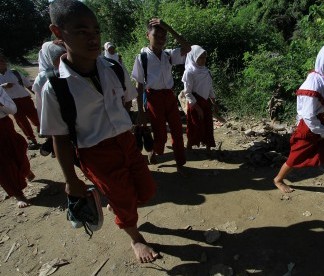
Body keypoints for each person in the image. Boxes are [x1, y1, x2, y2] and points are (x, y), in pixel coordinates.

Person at [43, 0, 158, 263]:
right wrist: (71, 180)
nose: (93, 38)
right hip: (95, 153)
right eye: (82, 31)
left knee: (147, 190)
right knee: (125, 201)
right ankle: (135, 238)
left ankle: (117, 203)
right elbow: (59, 137)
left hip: (126, 142)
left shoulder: (113, 68)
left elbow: (126, 101)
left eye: (96, 31)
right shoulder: (55, 87)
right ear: (58, 33)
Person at [273, 45, 324, 203]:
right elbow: (308, 115)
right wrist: (322, 131)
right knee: (296, 156)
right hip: (310, 126)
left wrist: (322, 129)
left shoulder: (321, 80)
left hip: (318, 123)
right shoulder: (313, 84)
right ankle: (278, 179)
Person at [131, 18, 190, 173]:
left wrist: (168, 27)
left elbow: (187, 47)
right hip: (153, 98)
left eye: (164, 36)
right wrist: (141, 112)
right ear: (147, 35)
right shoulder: (142, 58)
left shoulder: (168, 55)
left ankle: (180, 163)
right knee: (160, 134)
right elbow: (139, 85)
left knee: (177, 130)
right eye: (157, 35)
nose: (161, 40)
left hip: (169, 96)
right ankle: (153, 151)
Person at [0, 87, 35, 208]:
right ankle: (18, 195)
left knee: (18, 152)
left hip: (4, 127)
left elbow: (13, 109)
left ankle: (25, 171)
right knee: (3, 166)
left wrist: (1, 104)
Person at [32, 41, 67, 157]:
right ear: (47, 58)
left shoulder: (71, 69)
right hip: (58, 115)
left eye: (63, 54)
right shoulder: (42, 79)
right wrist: (48, 130)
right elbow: (42, 107)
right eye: (56, 57)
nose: (61, 59)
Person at [0, 53, 41, 150]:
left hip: (25, 99)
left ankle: (44, 132)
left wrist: (37, 94)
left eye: (2, 61)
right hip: (11, 103)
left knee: (35, 116)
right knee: (21, 121)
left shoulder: (14, 72)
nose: (1, 63)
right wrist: (2, 86)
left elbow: (27, 84)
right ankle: (32, 140)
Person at [181, 45, 217, 152]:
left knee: (208, 125)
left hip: (205, 102)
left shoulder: (206, 71)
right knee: (194, 126)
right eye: (200, 57)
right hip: (194, 103)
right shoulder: (189, 72)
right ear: (193, 57)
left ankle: (208, 148)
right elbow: (187, 92)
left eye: (205, 57)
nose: (203, 60)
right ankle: (189, 147)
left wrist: (214, 102)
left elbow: (209, 88)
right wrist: (197, 107)